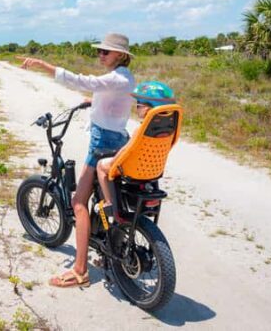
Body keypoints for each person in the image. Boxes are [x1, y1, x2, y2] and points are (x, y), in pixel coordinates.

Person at [20, 33, 135, 288]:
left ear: (120, 55)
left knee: (78, 202)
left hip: (102, 142)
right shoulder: (126, 78)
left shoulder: (114, 77)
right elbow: (115, 99)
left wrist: (42, 65)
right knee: (100, 196)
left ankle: (80, 270)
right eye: (100, 51)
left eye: (106, 52)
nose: (101, 55)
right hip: (118, 138)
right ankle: (107, 251)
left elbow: (81, 80)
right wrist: (93, 100)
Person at [96, 81, 176, 218]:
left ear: (146, 109)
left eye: (138, 104)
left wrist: (114, 163)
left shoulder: (141, 130)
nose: (136, 107)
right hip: (154, 169)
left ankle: (109, 203)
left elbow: (126, 150)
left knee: (101, 166)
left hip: (133, 168)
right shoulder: (168, 130)